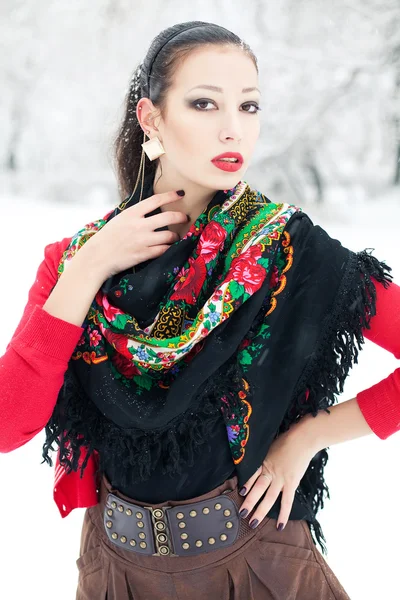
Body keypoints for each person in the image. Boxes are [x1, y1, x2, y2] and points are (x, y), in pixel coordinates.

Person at [1, 20, 399, 599]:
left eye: (250, 106)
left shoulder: (289, 251)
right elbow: (10, 422)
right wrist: (89, 269)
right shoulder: (73, 262)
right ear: (151, 118)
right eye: (204, 104)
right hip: (115, 573)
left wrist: (308, 437)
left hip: (257, 565)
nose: (233, 130)